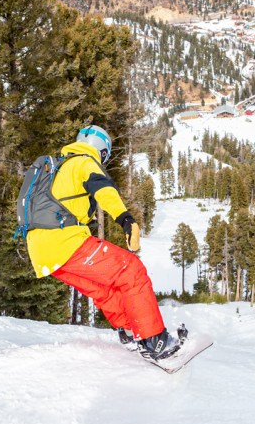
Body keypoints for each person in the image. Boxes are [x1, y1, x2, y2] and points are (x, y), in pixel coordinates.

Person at [22, 125, 183, 360]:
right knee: (131, 270)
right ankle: (155, 340)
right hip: (65, 241)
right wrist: (125, 219)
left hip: (42, 251)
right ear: (101, 150)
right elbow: (104, 190)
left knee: (103, 289)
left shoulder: (59, 167)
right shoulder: (83, 161)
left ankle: (130, 331)